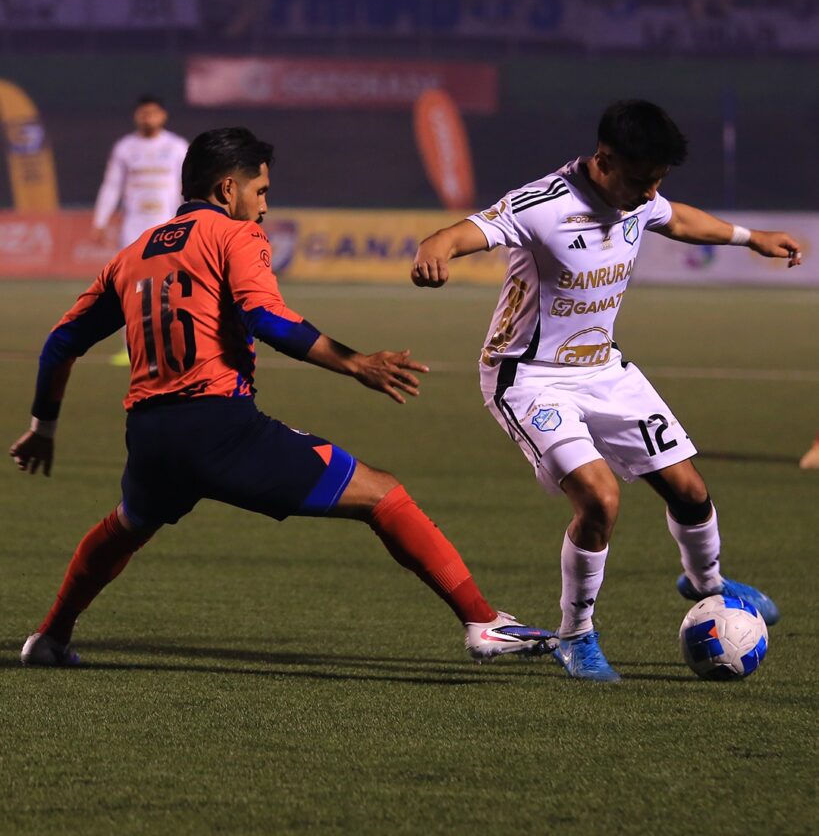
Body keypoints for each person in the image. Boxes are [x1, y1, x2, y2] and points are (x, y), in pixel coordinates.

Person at [10, 127, 555, 668]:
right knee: (383, 495)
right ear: (228, 189)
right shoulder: (235, 235)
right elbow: (267, 318)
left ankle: (50, 637)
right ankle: (482, 622)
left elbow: (61, 342)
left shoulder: (133, 254)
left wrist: (43, 427)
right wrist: (355, 362)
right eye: (261, 191)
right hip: (220, 427)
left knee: (125, 527)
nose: (265, 206)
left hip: (150, 434)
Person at [412, 99, 801, 682]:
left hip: (603, 370)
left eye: (658, 181)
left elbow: (677, 219)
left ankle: (708, 584)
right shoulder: (543, 204)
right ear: (605, 159)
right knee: (599, 499)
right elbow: (461, 232)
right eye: (643, 180)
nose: (650, 194)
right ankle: (576, 636)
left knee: (690, 490)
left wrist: (752, 237)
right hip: (530, 378)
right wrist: (435, 249)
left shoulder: (638, 196)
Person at [92, 95, 188, 366]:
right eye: (144, 113)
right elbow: (112, 185)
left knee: (169, 288)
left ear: (163, 115)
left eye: (153, 113)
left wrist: (190, 219)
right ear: (136, 116)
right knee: (130, 287)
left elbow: (188, 186)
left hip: (168, 227)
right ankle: (131, 346)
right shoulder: (125, 148)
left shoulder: (177, 147)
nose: (148, 118)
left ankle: (169, 345)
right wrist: (100, 220)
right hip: (133, 229)